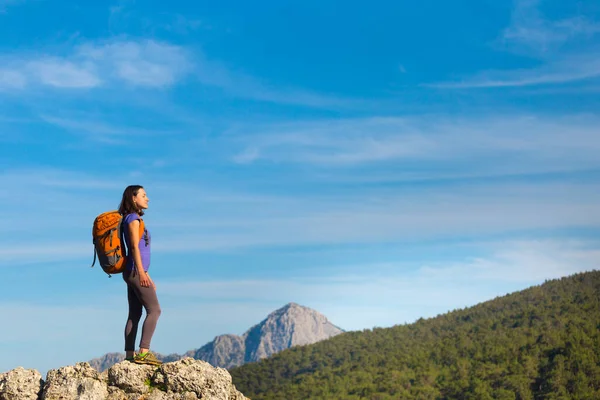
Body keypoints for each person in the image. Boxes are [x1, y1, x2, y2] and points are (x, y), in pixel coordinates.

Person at [118, 185, 162, 366]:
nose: (148, 198)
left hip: (133, 271)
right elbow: (135, 247)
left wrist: (147, 274)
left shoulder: (128, 218)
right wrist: (142, 272)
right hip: (136, 271)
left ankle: (130, 355)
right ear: (134, 198)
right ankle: (143, 352)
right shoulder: (133, 219)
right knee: (155, 310)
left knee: (134, 314)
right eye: (144, 195)